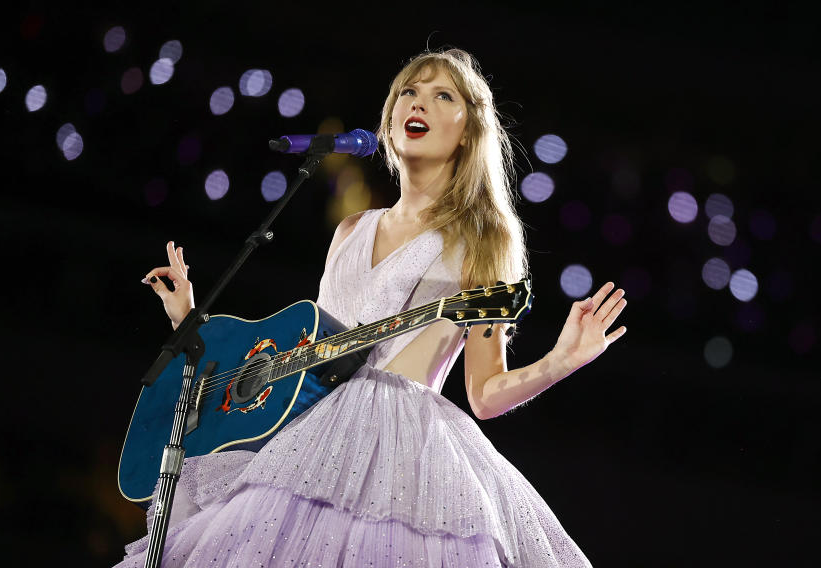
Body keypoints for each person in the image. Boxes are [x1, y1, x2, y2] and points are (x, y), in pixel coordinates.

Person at [121, 48, 628, 567]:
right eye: (409, 91)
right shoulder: (349, 231)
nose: (419, 103)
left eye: (442, 95)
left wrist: (558, 362)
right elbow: (301, 355)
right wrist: (191, 322)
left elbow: (485, 394)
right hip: (305, 441)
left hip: (401, 455)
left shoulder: (482, 240)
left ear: (469, 131)